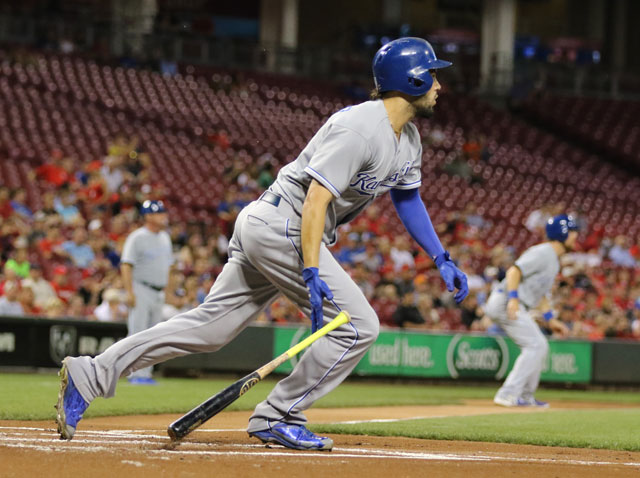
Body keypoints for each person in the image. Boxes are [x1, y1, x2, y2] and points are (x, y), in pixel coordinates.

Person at [55, 38, 468, 450]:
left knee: (210, 330)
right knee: (360, 327)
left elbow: (407, 197)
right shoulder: (360, 128)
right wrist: (309, 267)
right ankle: (279, 414)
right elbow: (316, 199)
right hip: (284, 222)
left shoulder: (408, 139)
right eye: (432, 74)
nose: (438, 84)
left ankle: (90, 373)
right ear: (411, 79)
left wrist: (440, 256)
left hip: (272, 224)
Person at [485, 214, 574, 408]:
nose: (576, 237)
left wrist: (551, 320)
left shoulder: (554, 260)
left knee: (538, 345)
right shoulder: (543, 252)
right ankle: (507, 393)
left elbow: (541, 296)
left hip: (513, 301)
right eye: (573, 232)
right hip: (505, 300)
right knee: (536, 345)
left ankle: (525, 396)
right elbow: (513, 271)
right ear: (563, 233)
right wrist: (514, 299)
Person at [120, 200, 174, 384]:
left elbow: (168, 266)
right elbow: (126, 264)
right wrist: (129, 292)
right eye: (159, 213)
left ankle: (146, 374)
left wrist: (168, 291)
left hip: (158, 291)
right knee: (137, 333)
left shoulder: (165, 237)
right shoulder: (137, 237)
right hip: (141, 287)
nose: (164, 216)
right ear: (148, 216)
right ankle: (134, 374)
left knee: (153, 335)